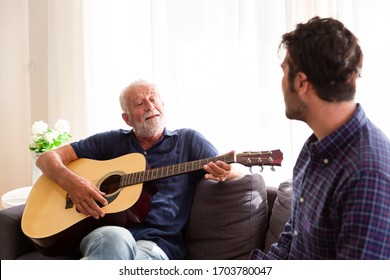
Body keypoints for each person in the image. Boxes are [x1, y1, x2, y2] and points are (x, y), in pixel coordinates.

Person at [36, 79, 243, 260]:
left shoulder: (188, 141)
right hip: (107, 234)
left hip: (156, 245)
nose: (149, 106)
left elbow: (235, 170)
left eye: (154, 100)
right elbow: (47, 158)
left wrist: (227, 172)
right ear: (127, 119)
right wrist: (72, 183)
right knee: (118, 238)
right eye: (139, 103)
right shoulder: (110, 141)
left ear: (163, 105)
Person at [250, 16, 390, 259]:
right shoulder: (314, 146)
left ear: (301, 82)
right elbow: (291, 238)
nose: (281, 83)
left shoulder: (368, 175)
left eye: (284, 71)